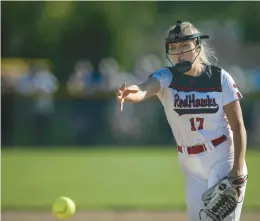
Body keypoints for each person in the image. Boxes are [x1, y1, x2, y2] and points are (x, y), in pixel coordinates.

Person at [116, 21, 248, 221]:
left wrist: (237, 168)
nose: (179, 53)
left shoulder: (220, 78)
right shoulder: (166, 78)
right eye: (174, 48)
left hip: (222, 156)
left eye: (185, 46)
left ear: (197, 45)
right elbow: (144, 88)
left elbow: (238, 127)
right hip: (189, 162)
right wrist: (129, 93)